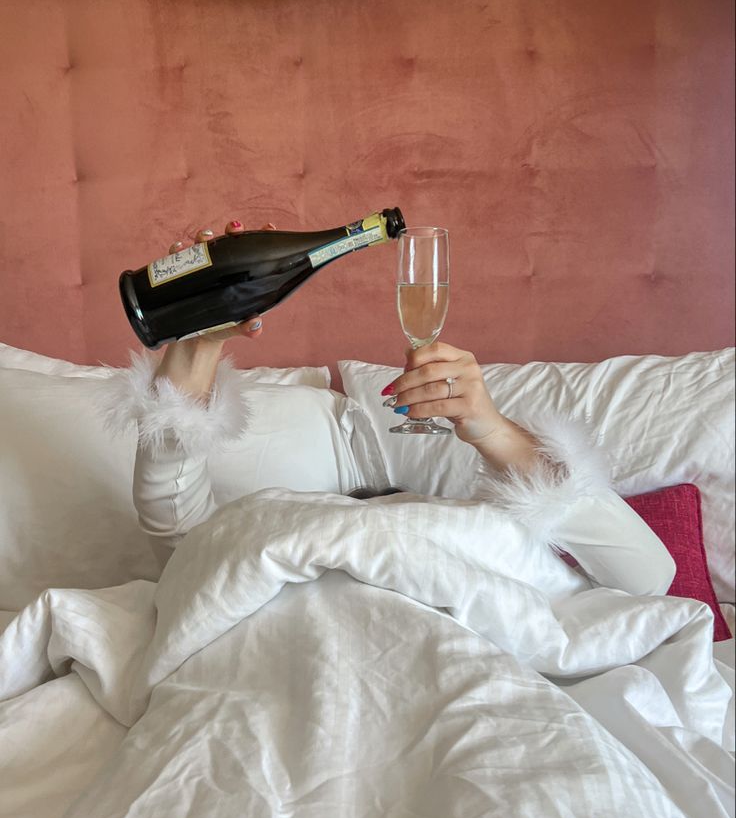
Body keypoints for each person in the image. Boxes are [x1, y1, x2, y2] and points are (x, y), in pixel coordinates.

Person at [114, 224, 677, 600]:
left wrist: (493, 431)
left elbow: (651, 578)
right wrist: (196, 340)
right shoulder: (276, 535)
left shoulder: (472, 537)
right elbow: (184, 539)